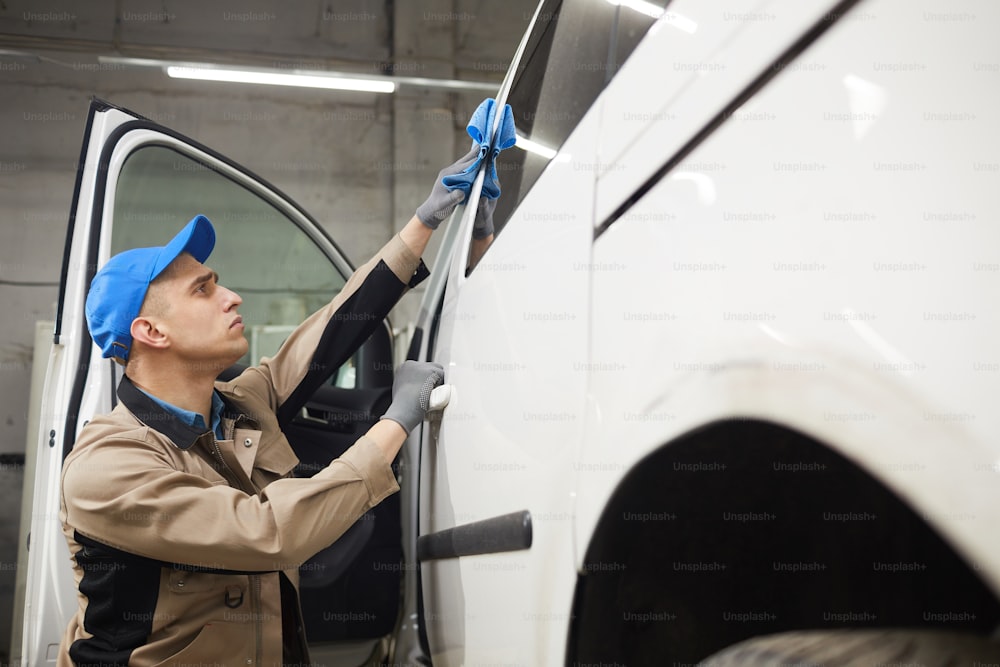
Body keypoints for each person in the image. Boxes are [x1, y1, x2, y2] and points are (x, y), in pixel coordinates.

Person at [56, 143, 491, 666]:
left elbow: (329, 333)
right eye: (204, 289)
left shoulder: (238, 404)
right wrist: (396, 421)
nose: (232, 297)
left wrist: (425, 221)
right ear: (150, 331)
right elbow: (267, 532)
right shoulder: (109, 466)